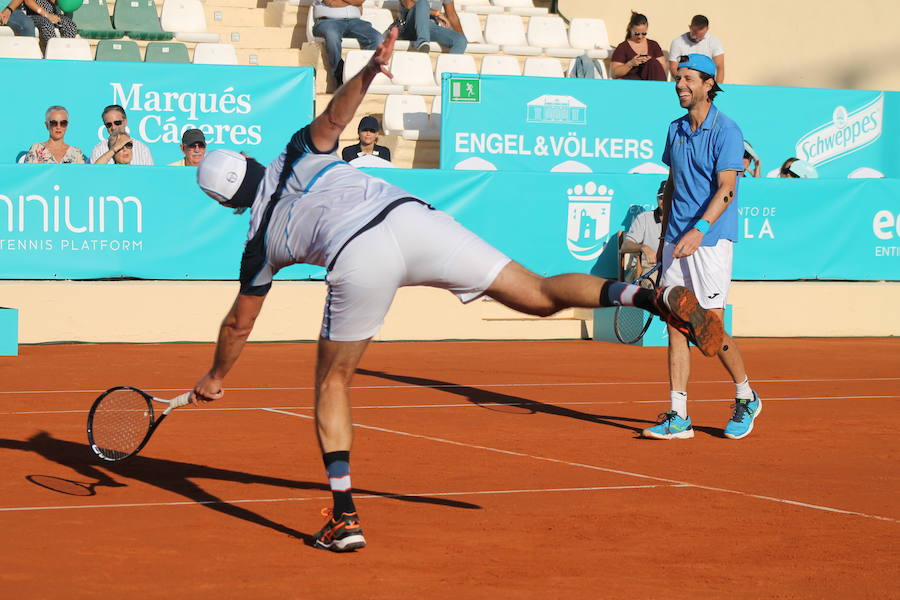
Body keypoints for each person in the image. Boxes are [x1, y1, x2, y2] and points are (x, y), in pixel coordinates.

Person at [189, 29, 725, 553]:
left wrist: (215, 376)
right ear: (253, 163)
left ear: (226, 203)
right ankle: (646, 297)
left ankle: (345, 514)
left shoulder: (257, 241)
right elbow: (338, 115)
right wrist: (373, 68)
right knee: (537, 293)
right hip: (411, 219)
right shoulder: (294, 153)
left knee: (332, 382)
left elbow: (240, 324)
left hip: (358, 258)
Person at [643, 54, 761, 441]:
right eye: (678, 79)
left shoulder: (727, 130)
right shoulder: (674, 129)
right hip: (676, 241)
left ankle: (746, 395)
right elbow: (674, 184)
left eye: (689, 79)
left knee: (708, 329)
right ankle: (679, 416)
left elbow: (727, 188)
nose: (680, 85)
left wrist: (700, 229)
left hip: (710, 241)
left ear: (709, 84)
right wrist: (664, 242)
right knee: (676, 326)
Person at [311, 0, 383, 86]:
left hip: (355, 21)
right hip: (328, 21)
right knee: (332, 36)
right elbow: (331, 2)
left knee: (377, 38)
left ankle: (362, 74)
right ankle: (340, 75)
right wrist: (353, 2)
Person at [619, 180, 664, 284]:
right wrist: (644, 247)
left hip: (673, 267)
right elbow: (624, 246)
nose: (663, 201)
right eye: (661, 197)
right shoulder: (644, 218)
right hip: (648, 267)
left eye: (667, 197)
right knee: (650, 283)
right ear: (657, 199)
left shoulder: (680, 220)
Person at [610, 11, 666, 81]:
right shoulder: (623, 47)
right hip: (632, 84)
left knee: (652, 63)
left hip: (652, 82)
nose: (640, 36)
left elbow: (662, 69)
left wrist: (649, 62)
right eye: (636, 33)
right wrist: (631, 64)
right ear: (630, 29)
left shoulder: (653, 45)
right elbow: (614, 73)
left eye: (644, 33)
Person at [89, 105, 154, 165]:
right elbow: (95, 173)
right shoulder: (98, 150)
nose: (113, 127)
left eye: (117, 123)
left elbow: (150, 175)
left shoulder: (142, 149)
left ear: (125, 121)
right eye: (109, 125)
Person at [667, 15, 725, 82]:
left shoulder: (714, 41)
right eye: (694, 34)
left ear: (707, 29)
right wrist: (682, 82)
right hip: (685, 81)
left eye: (700, 36)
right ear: (690, 27)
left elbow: (720, 67)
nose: (697, 38)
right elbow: (673, 67)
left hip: (706, 82)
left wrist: (718, 87)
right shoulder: (678, 42)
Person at [398, 0, 466, 54]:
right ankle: (423, 43)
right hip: (411, 26)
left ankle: (447, 70)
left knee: (460, 40)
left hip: (430, 27)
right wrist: (436, 13)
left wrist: (462, 35)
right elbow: (408, 4)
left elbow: (451, 15)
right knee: (423, 3)